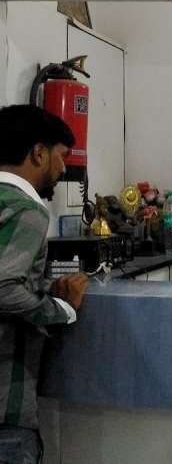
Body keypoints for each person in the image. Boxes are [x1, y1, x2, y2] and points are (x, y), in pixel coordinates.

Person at [0, 104, 90, 463]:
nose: (63, 168)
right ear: (38, 153)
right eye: (61, 156)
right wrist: (62, 309)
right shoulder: (27, 209)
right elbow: (3, 287)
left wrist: (39, 286)